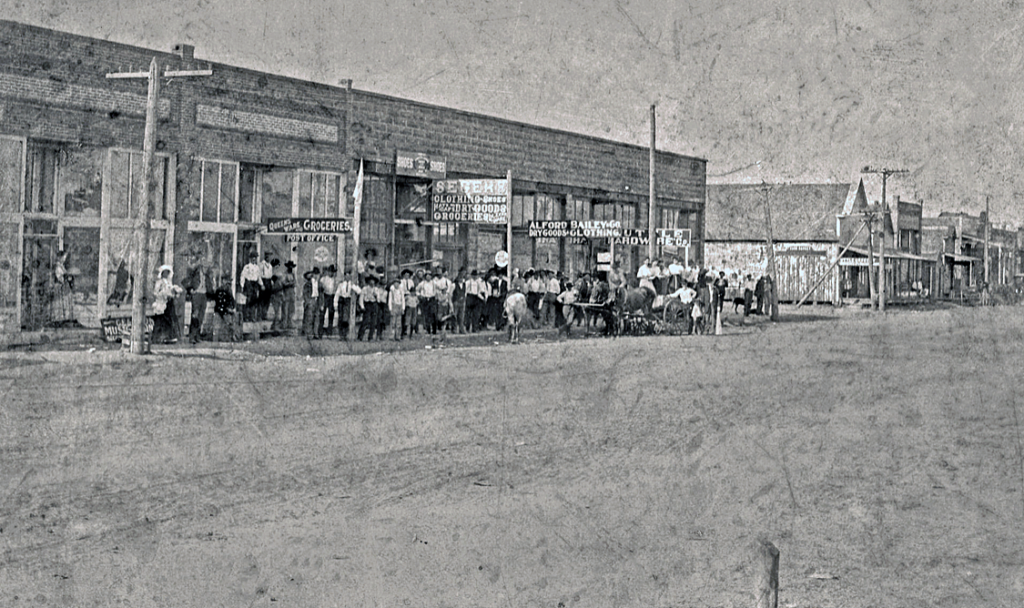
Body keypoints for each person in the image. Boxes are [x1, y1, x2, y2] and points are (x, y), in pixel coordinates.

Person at [183, 256, 212, 343]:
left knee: (201, 316)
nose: (206, 269)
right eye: (204, 267)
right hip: (196, 295)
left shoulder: (207, 276)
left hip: (204, 295)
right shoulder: (195, 273)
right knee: (195, 315)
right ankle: (192, 336)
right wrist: (190, 289)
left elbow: (209, 286)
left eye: (207, 267)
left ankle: (197, 335)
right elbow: (186, 281)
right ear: (201, 267)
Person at [152, 265, 183, 344]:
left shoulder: (169, 282)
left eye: (167, 272)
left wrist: (174, 292)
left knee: (170, 319)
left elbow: (171, 291)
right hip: (161, 303)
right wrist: (163, 293)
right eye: (164, 272)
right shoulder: (159, 282)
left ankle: (169, 337)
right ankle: (156, 338)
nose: (166, 274)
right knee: (160, 320)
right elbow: (156, 293)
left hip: (169, 303)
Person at [334, 270, 360, 340]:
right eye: (346, 276)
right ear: (344, 276)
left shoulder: (352, 285)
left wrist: (354, 287)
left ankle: (345, 334)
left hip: (348, 301)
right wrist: (335, 303)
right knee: (340, 317)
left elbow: (359, 291)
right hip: (341, 300)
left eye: (349, 276)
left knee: (346, 318)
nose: (347, 277)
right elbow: (337, 294)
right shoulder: (341, 284)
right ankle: (341, 335)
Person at [239, 252, 263, 323]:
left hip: (255, 284)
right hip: (249, 284)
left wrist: (262, 284)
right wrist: (242, 285)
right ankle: (246, 316)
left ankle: (252, 317)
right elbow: (243, 276)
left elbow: (259, 277)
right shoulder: (247, 267)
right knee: (248, 300)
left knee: (254, 300)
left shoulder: (257, 268)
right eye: (252, 257)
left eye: (255, 258)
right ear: (250, 258)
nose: (254, 259)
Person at [358, 274, 381, 341]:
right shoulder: (365, 289)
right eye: (370, 281)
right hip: (367, 304)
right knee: (365, 320)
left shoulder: (376, 289)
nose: (372, 282)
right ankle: (360, 336)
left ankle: (370, 337)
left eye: (373, 281)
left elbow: (378, 300)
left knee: (373, 322)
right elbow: (361, 298)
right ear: (368, 281)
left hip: (374, 304)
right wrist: (362, 306)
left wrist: (376, 296)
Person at [301, 267, 322, 338]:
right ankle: (309, 334)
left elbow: (321, 294)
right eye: (315, 274)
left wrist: (321, 303)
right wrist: (308, 301)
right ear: (313, 274)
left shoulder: (319, 284)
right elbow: (305, 293)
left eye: (317, 274)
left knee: (317, 318)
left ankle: (316, 333)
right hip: (311, 300)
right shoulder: (308, 284)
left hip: (317, 301)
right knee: (309, 318)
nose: (316, 276)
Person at [416, 268, 437, 335]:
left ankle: (434, 330)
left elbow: (438, 289)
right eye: (427, 275)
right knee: (426, 315)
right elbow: (416, 290)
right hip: (425, 299)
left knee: (433, 314)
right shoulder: (422, 284)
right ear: (425, 276)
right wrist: (420, 295)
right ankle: (428, 329)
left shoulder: (434, 283)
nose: (428, 277)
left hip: (432, 299)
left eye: (429, 275)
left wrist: (435, 295)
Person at [319, 264, 338, 336]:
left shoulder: (334, 280)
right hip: (325, 296)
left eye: (333, 272)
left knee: (331, 313)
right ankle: (320, 330)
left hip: (332, 296)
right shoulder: (324, 279)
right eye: (330, 271)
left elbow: (336, 289)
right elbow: (320, 287)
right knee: (322, 313)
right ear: (328, 272)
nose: (331, 273)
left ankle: (329, 330)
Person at [401, 268, 419, 338]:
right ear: (403, 275)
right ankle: (404, 330)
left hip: (411, 297)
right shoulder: (401, 281)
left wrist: (412, 293)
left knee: (413, 317)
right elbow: (402, 290)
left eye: (408, 275)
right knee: (405, 316)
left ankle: (412, 330)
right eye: (405, 275)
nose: (407, 276)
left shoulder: (411, 281)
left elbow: (412, 289)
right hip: (405, 296)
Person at [279, 261, 297, 331]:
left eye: (292, 267)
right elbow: (283, 283)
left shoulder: (293, 274)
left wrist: (292, 283)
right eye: (290, 267)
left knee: (291, 308)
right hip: (286, 292)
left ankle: (290, 323)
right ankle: (284, 323)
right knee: (285, 308)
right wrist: (290, 283)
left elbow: (295, 283)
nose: (291, 268)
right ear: (287, 267)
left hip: (292, 292)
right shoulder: (285, 274)